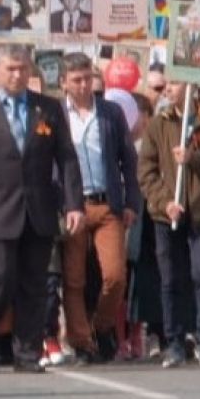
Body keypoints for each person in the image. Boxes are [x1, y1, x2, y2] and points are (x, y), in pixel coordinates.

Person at [0, 44, 84, 372]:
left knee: (33, 283)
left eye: (23, 69)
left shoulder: (48, 109)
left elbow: (66, 158)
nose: (17, 75)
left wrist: (73, 204)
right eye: (10, 69)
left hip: (38, 211)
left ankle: (27, 351)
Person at [138, 76, 200, 368]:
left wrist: (192, 159)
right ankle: (173, 341)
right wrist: (166, 201)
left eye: (175, 84)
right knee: (171, 278)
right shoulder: (158, 124)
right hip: (168, 215)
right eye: (167, 86)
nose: (169, 90)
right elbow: (147, 172)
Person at [57, 53, 140, 364]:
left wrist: (131, 201)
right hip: (73, 206)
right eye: (76, 80)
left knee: (115, 275)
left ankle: (103, 325)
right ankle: (81, 341)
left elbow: (127, 160)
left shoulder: (109, 112)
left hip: (107, 204)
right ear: (63, 82)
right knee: (74, 278)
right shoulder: (56, 114)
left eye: (87, 79)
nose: (83, 86)